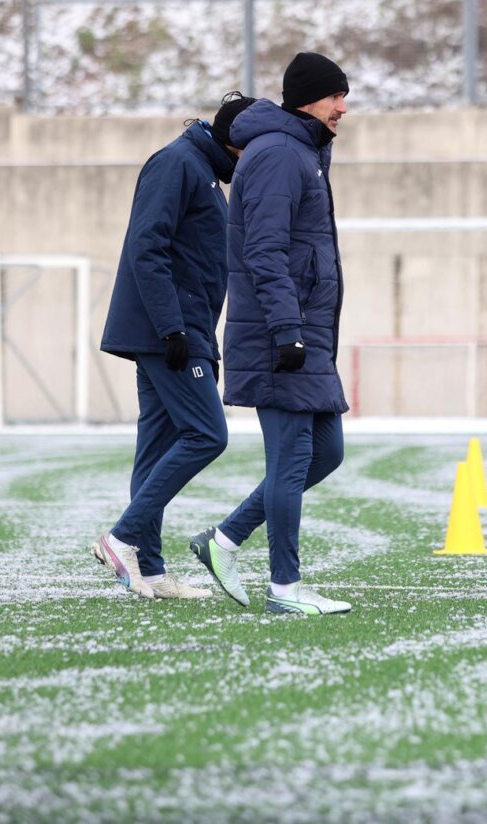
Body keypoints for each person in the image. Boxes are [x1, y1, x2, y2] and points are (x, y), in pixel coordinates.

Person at [188, 53, 352, 616]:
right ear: (309, 98)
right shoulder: (281, 153)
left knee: (325, 453)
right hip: (280, 334)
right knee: (290, 460)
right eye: (336, 97)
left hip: (304, 331)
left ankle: (224, 540)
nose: (343, 108)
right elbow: (264, 250)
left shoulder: (301, 151)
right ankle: (285, 586)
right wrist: (286, 330)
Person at [91, 92, 257, 600]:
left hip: (182, 331)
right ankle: (120, 538)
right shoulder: (177, 163)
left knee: (157, 446)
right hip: (170, 334)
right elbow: (147, 246)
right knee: (208, 434)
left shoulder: (204, 170)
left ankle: (153, 569)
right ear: (235, 144)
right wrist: (174, 330)